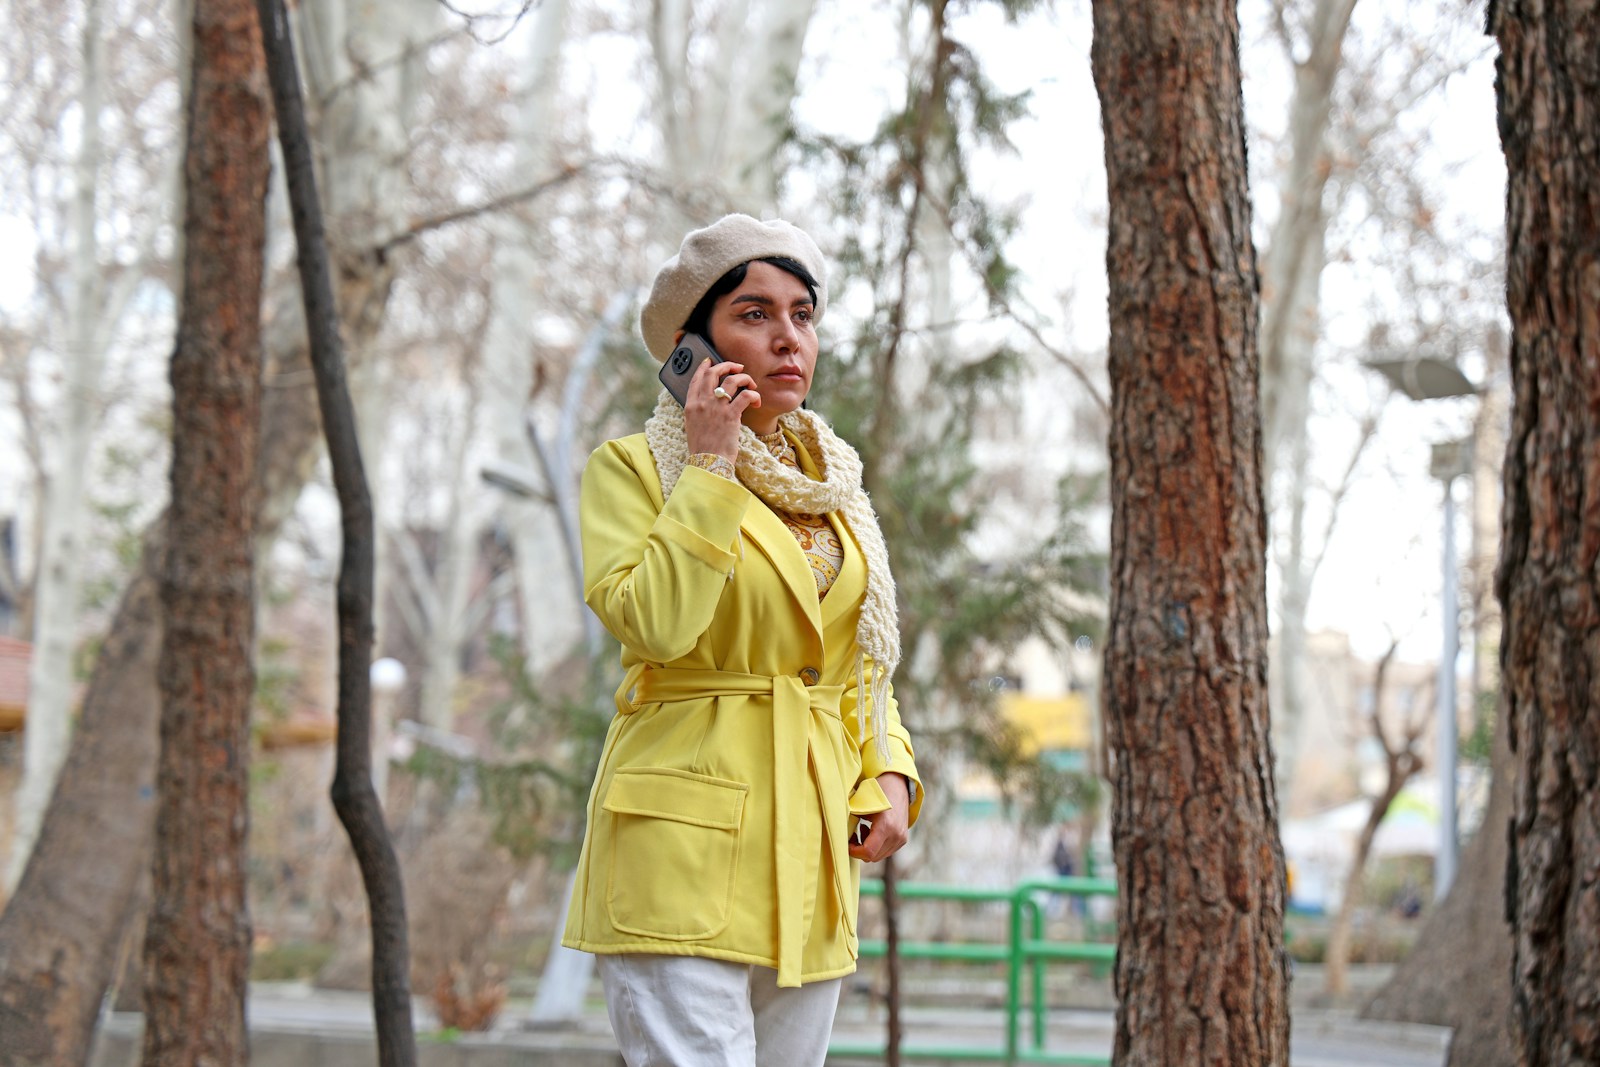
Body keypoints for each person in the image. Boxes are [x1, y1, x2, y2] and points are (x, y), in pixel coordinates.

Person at [561, 214, 924, 1067]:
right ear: (695, 346)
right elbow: (655, 622)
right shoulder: (634, 469)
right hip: (679, 842)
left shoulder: (834, 487)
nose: (787, 338)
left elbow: (857, 666)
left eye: (802, 314)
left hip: (811, 852)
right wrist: (711, 467)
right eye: (754, 315)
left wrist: (893, 770)